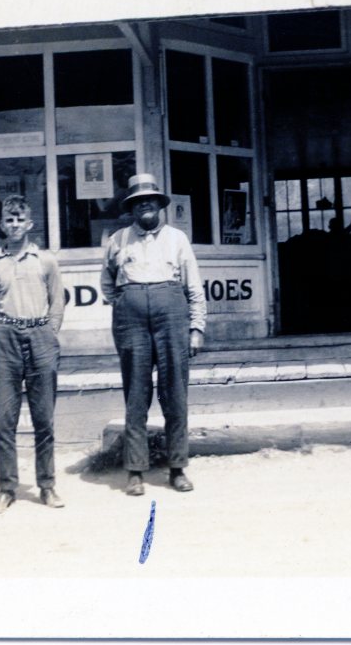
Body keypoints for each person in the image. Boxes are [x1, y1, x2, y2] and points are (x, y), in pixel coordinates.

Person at [100, 173, 206, 496]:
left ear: (159, 205)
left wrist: (196, 328)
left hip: (171, 317)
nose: (144, 205)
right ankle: (135, 471)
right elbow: (107, 284)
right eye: (138, 202)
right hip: (131, 321)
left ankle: (177, 468)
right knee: (136, 393)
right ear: (131, 208)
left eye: (150, 200)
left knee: (174, 393)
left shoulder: (177, 239)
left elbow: (194, 287)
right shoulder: (118, 240)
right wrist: (128, 302)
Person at [0, 195, 66, 514]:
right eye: (9, 220)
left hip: (40, 336)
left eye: (20, 220)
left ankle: (47, 485)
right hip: (6, 339)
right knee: (5, 419)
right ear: (2, 225)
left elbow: (57, 301)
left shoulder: (46, 261)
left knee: (44, 418)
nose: (14, 225)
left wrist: (49, 332)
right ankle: (6, 489)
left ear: (29, 224)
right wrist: (1, 331)